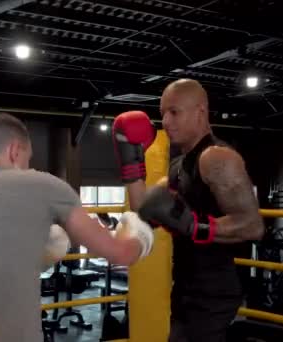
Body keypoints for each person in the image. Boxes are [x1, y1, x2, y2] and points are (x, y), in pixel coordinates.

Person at [0, 112, 154, 342]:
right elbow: (123, 253)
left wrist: (54, 240)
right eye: (27, 159)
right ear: (14, 151)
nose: (27, 166)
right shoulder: (41, 186)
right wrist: (140, 224)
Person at [112, 79, 265, 342]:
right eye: (162, 115)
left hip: (214, 290)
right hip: (186, 287)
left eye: (174, 112)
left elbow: (253, 226)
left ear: (201, 111)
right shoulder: (178, 165)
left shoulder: (217, 158)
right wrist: (131, 162)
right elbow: (145, 209)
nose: (166, 122)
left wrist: (194, 225)